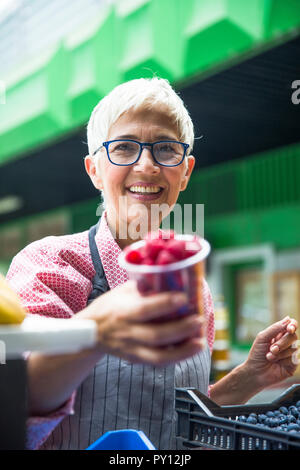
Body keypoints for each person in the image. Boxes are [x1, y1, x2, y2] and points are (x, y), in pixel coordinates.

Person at [6, 77, 298, 450]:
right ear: (93, 169)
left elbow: (174, 413)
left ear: (186, 171)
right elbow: (21, 397)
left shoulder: (195, 289)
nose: (147, 166)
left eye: (165, 149)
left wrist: (250, 378)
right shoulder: (50, 265)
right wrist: (95, 331)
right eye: (124, 148)